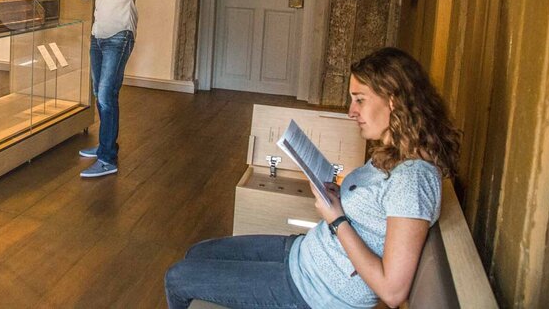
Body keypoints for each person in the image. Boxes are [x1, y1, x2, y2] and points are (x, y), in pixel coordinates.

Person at [164, 47, 461, 309]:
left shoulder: (413, 179)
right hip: (305, 253)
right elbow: (375, 216)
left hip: (313, 291)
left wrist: (337, 219)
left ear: (394, 101)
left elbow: (392, 291)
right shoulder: (394, 152)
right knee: (198, 252)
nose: (351, 111)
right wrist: (338, 196)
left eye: (359, 100)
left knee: (177, 277)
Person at [77, 0, 142, 178]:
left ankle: (107, 159)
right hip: (98, 35)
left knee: (106, 95)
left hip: (120, 34)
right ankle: (105, 145)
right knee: (99, 93)